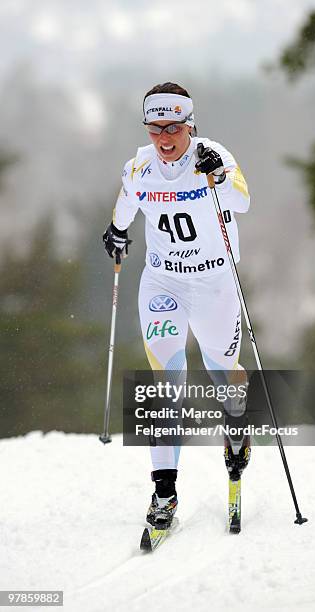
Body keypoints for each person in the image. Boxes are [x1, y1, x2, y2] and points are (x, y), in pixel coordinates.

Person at [103, 82, 251, 529]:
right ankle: (164, 492)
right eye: (155, 129)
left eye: (173, 128)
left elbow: (243, 200)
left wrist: (218, 177)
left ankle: (237, 431)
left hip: (214, 284)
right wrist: (116, 230)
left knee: (223, 373)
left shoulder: (214, 156)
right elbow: (126, 203)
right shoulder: (140, 166)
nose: (165, 139)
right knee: (164, 383)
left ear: (190, 124)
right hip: (163, 284)